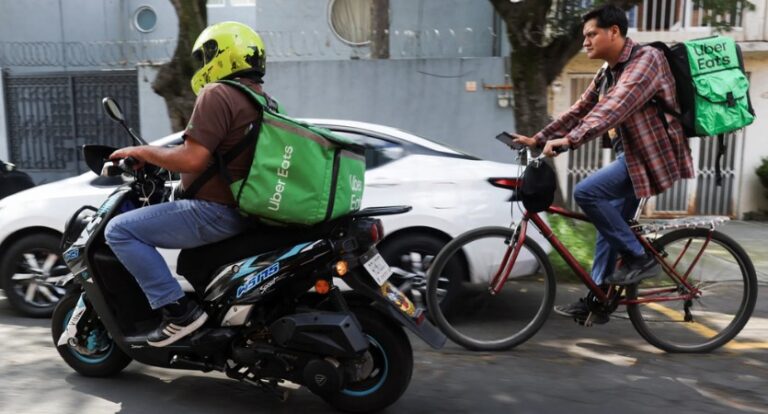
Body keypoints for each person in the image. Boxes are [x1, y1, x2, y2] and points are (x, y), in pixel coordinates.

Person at [511, 5, 694, 323]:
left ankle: (640, 258)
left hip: (652, 157)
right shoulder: (609, 71)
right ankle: (599, 299)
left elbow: (613, 108)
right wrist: (538, 139)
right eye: (584, 36)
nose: (586, 42)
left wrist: (570, 141)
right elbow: (579, 111)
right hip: (632, 157)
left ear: (614, 32)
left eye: (591, 34)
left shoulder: (646, 61)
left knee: (587, 193)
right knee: (608, 230)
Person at [105, 22, 269, 347]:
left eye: (206, 55)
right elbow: (221, 158)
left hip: (215, 212)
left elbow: (193, 158)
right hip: (245, 210)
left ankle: (179, 314)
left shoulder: (219, 93)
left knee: (120, 231)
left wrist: (141, 151)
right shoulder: (262, 100)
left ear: (222, 54)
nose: (203, 65)